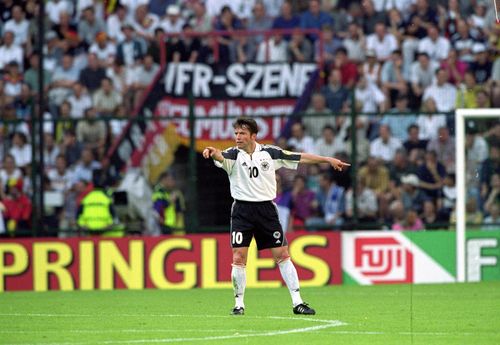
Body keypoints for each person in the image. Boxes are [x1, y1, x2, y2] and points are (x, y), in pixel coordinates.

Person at [203, 117, 350, 316]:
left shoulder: (270, 153)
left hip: (266, 211)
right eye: (236, 133)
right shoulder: (232, 155)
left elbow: (300, 157)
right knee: (239, 257)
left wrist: (327, 160)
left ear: (253, 136)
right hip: (242, 211)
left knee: (282, 254)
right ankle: (239, 305)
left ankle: (298, 302)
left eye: (242, 133)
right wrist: (212, 152)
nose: (238, 137)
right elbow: (220, 157)